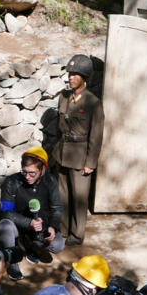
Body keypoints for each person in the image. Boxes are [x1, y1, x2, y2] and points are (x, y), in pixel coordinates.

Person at [50, 54, 103, 246]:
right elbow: (59, 129)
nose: (70, 77)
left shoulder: (93, 102)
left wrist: (91, 162)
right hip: (63, 153)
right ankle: (63, 230)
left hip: (81, 157)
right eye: (70, 74)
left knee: (79, 199)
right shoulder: (63, 98)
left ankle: (77, 235)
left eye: (75, 74)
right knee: (63, 195)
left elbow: (96, 135)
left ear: (85, 78)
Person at [0, 146, 64, 281]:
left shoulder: (50, 182)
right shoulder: (11, 182)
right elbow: (6, 213)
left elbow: (56, 208)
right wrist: (28, 223)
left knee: (58, 245)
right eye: (24, 172)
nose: (27, 177)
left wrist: (53, 227)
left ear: (42, 169)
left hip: (40, 224)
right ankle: (12, 261)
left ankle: (32, 247)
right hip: (19, 224)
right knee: (4, 226)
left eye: (32, 173)